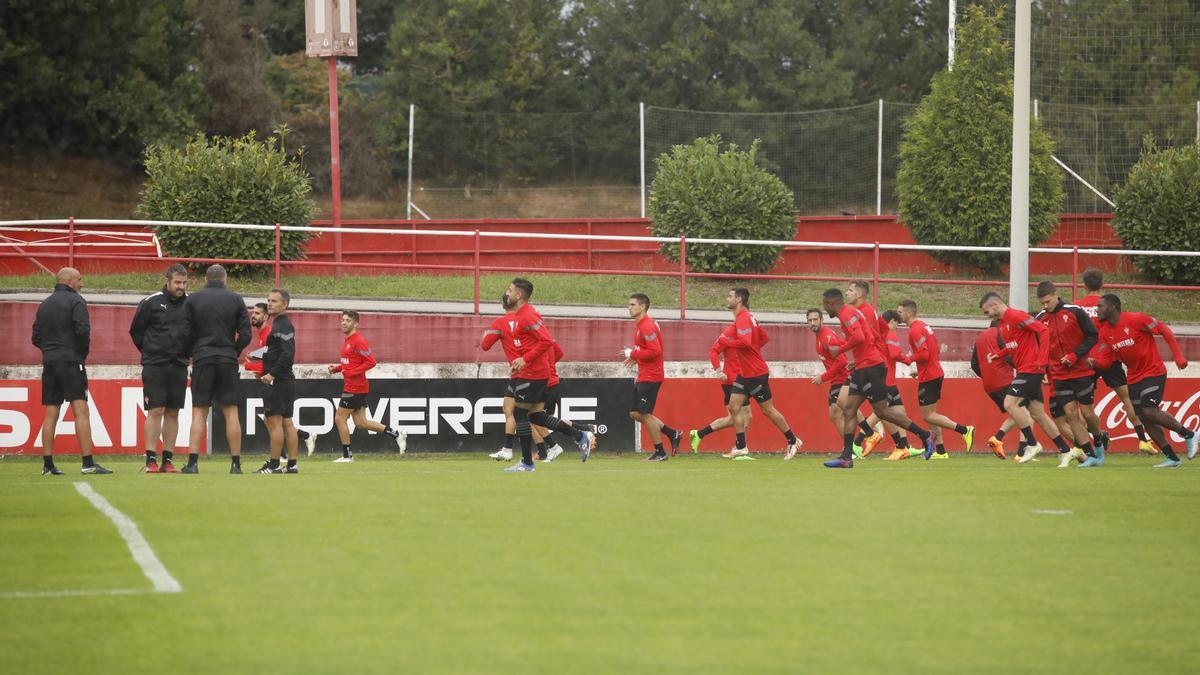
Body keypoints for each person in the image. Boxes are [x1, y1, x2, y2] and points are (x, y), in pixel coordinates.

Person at [822, 288, 933, 468]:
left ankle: (925, 436)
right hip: (864, 366)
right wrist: (859, 358)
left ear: (831, 304)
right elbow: (871, 335)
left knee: (882, 412)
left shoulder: (845, 313)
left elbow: (859, 336)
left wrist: (840, 349)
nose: (825, 310)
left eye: (825, 306)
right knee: (849, 410)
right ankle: (846, 457)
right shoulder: (853, 312)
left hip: (871, 368)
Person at [1091, 294, 1198, 467]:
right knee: (1144, 417)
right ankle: (1172, 457)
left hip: (1153, 371)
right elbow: (1106, 361)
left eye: (1100, 306)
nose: (1097, 309)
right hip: (1133, 377)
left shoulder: (1136, 319)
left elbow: (1163, 329)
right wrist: (1094, 362)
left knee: (1149, 410)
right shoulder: (1105, 332)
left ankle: (1189, 434)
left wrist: (1178, 356)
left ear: (1113, 307)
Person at [504, 278, 596, 472]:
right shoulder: (525, 314)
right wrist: (520, 361)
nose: (507, 293)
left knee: (519, 413)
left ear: (519, 295)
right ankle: (580, 436)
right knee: (536, 416)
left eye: (510, 290)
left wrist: (526, 360)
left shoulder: (527, 315)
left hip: (534, 373)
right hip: (533, 371)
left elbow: (547, 340)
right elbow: (537, 343)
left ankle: (527, 463)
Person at [979, 292, 1076, 464]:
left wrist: (1042, 360)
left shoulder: (1015, 315)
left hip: (1031, 369)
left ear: (995, 305)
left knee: (1009, 403)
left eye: (986, 312)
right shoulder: (1002, 324)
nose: (987, 315)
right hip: (1026, 369)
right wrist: (999, 354)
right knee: (1038, 414)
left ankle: (1031, 443)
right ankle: (1065, 449)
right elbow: (1014, 345)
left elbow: (1043, 330)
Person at [31, 267, 110, 475]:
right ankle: (88, 463)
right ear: (68, 281)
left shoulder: (45, 304)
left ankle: (47, 465)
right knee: (81, 411)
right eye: (79, 279)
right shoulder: (77, 301)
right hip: (72, 360)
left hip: (50, 361)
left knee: (51, 413)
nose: (82, 283)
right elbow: (83, 331)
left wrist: (50, 350)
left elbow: (35, 337)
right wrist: (79, 354)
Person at [712, 288, 803, 459]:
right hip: (744, 373)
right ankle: (741, 446)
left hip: (755, 373)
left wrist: (729, 342)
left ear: (739, 299)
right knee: (733, 407)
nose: (727, 299)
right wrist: (750, 351)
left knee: (767, 410)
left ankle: (793, 440)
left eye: (730, 296)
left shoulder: (744, 318)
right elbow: (763, 338)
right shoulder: (748, 318)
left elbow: (745, 342)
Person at [1076, 268, 1156, 454]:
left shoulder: (1077, 306)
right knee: (1127, 398)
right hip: (1110, 357)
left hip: (1088, 361)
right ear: (1102, 283)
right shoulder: (1108, 305)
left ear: (1084, 284)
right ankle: (1143, 440)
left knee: (1084, 406)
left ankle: (1096, 436)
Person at [181, 264, 251, 474]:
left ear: (206, 279)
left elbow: (184, 332)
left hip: (203, 358)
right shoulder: (236, 299)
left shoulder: (192, 299)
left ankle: (192, 464)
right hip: (227, 359)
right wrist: (233, 350)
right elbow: (246, 334)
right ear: (225, 278)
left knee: (200, 412)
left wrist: (195, 351)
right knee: (231, 412)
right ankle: (236, 464)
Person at [1034, 281, 1103, 467]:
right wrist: (1044, 369)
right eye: (1042, 303)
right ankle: (1090, 456)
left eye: (1048, 302)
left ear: (1056, 294)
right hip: (1059, 374)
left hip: (1081, 370)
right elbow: (1039, 347)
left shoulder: (1075, 311)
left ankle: (1098, 440)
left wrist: (1075, 355)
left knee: (1087, 414)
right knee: (1070, 414)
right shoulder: (1041, 319)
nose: (1045, 306)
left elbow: (1092, 336)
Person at [129, 264, 189, 473]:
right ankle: (150, 460)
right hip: (155, 364)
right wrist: (150, 352)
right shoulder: (151, 302)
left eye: (184, 283)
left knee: (173, 412)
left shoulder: (190, 304)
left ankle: (168, 461)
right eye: (177, 282)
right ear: (168, 281)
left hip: (179, 365)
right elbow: (136, 331)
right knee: (155, 410)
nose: (181, 286)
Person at [897, 300, 975, 459]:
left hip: (930, 376)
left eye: (900, 312)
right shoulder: (924, 326)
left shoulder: (915, 330)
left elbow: (924, 353)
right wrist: (921, 370)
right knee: (931, 414)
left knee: (927, 415)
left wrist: (910, 358)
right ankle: (940, 451)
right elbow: (934, 350)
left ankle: (964, 430)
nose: (898, 315)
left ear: (909, 313)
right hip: (932, 372)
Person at [327, 310, 405, 463]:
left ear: (356, 323)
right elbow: (349, 362)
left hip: (354, 388)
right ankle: (396, 434)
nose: (343, 323)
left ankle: (347, 456)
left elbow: (371, 362)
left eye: (348, 320)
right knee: (361, 423)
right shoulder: (348, 340)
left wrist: (351, 373)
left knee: (339, 419)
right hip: (356, 387)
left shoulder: (358, 340)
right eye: (342, 320)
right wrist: (336, 369)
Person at [246, 302, 317, 455]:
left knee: (275, 421)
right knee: (277, 421)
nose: (253, 315)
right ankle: (294, 452)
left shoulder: (269, 332)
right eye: (253, 312)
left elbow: (278, 357)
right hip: (275, 379)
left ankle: (281, 457)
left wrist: (251, 366)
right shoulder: (264, 333)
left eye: (257, 313)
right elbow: (268, 356)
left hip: (276, 381)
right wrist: (254, 358)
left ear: (266, 317)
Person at [622, 293, 683, 461]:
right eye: (629, 304)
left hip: (651, 376)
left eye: (632, 304)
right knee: (635, 413)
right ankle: (672, 433)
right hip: (645, 374)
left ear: (642, 307)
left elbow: (655, 351)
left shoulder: (647, 325)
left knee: (645, 414)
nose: (629, 307)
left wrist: (633, 352)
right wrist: (636, 357)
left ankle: (660, 452)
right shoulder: (642, 324)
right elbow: (648, 350)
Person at [807, 308, 872, 460]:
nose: (812, 323)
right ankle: (851, 447)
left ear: (822, 320)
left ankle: (868, 434)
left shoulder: (827, 336)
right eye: (810, 320)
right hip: (836, 378)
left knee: (845, 407)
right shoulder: (822, 336)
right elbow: (842, 346)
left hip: (842, 378)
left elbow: (841, 361)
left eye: (815, 320)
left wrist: (823, 377)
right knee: (835, 415)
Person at [689, 319, 753, 454]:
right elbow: (713, 351)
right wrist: (719, 371)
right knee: (744, 416)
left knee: (735, 418)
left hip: (744, 379)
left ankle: (699, 434)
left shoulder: (748, 333)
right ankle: (739, 448)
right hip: (732, 381)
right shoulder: (728, 334)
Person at [255, 289, 300, 474]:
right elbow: (277, 353)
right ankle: (292, 465)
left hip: (279, 381)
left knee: (274, 422)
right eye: (268, 300)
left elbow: (287, 355)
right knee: (287, 422)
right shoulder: (280, 324)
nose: (270, 303)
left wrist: (271, 374)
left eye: (274, 301)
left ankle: (274, 465)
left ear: (285, 305)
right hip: (284, 380)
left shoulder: (283, 325)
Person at [970, 320, 1017, 459]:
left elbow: (974, 364)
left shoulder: (979, 338)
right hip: (1004, 380)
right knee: (1025, 410)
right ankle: (1021, 449)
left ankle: (1002, 440)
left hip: (989, 386)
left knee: (1019, 412)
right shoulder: (1000, 333)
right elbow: (1007, 354)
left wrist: (986, 375)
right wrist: (1020, 367)